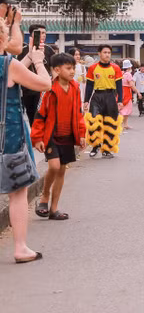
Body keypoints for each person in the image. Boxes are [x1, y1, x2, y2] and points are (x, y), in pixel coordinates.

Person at [1, 17, 51, 263]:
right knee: (18, 191)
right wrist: (39, 63)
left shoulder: (10, 65)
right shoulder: (7, 64)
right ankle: (20, 247)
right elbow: (45, 84)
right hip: (8, 137)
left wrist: (28, 58)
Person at [31, 52, 85, 221]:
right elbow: (40, 115)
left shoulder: (75, 88)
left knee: (61, 170)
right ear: (56, 70)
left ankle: (54, 209)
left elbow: (79, 113)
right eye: (68, 68)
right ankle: (45, 196)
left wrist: (82, 134)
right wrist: (37, 137)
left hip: (68, 136)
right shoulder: (48, 90)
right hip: (51, 135)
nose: (72, 72)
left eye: (73, 68)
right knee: (54, 167)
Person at [83, 45, 124, 158]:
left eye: (109, 53)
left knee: (110, 123)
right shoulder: (93, 68)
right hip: (97, 97)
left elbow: (119, 86)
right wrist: (86, 100)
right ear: (99, 54)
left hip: (110, 96)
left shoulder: (115, 68)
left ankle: (106, 149)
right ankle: (95, 146)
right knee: (94, 123)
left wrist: (120, 100)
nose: (107, 55)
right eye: (105, 52)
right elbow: (89, 86)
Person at [17, 23, 54, 124]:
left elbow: (53, 69)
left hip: (44, 89)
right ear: (32, 35)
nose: (43, 35)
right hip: (28, 89)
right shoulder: (23, 50)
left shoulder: (49, 49)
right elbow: (19, 68)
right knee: (31, 117)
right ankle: (34, 137)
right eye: (40, 33)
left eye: (45, 33)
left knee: (43, 117)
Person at [120, 59, 135, 130]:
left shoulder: (121, 73)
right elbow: (131, 85)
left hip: (121, 91)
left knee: (123, 108)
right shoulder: (128, 74)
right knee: (126, 109)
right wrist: (137, 92)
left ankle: (125, 124)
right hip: (127, 92)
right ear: (129, 68)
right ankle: (123, 124)